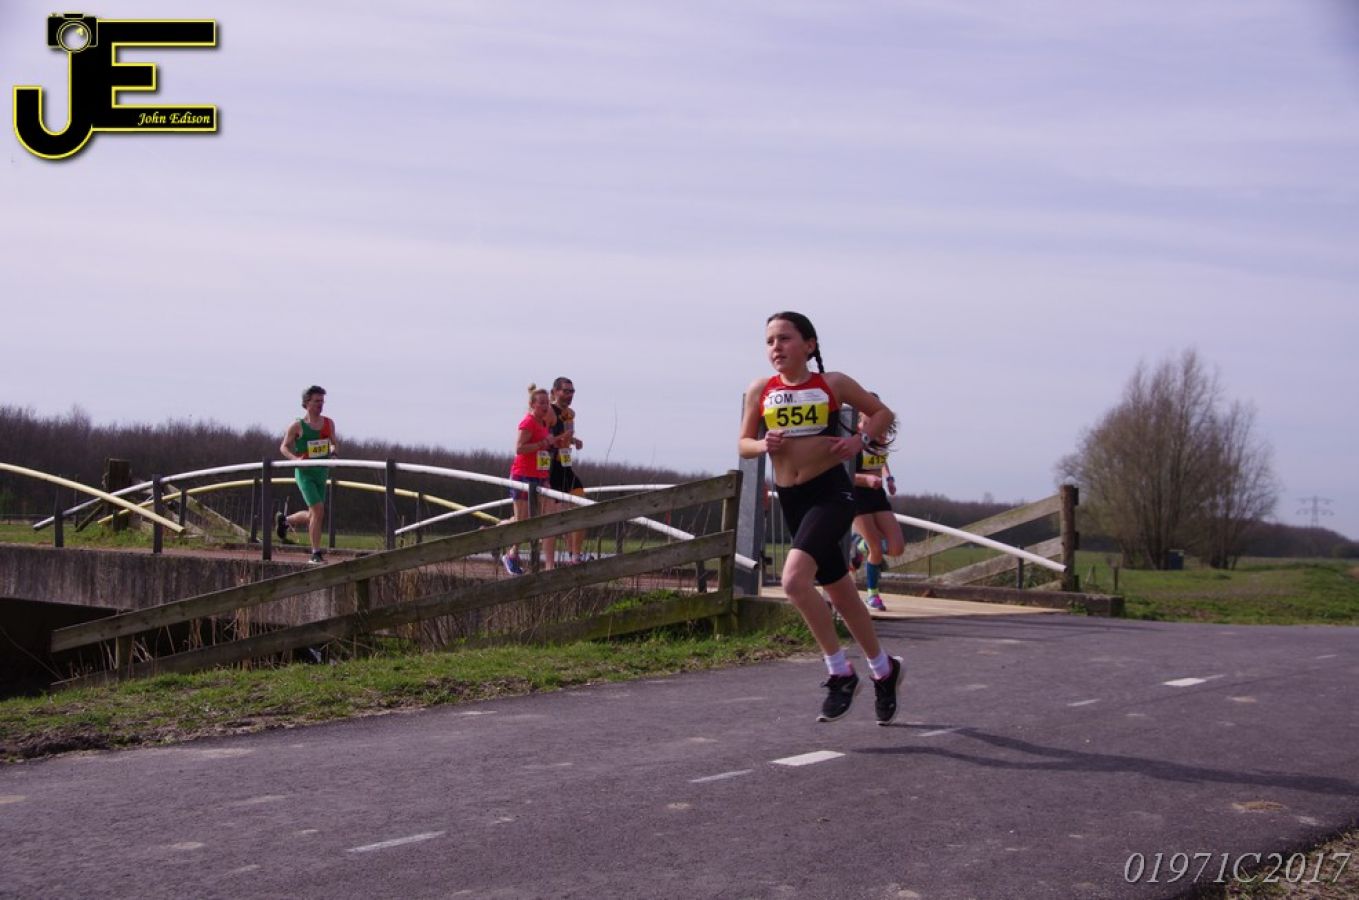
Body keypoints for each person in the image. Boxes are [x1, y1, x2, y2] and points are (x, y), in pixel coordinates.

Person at [738, 311, 903, 725]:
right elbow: (742, 444)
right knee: (842, 594)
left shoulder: (833, 383)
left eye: (785, 338)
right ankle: (884, 670)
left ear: (809, 345)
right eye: (770, 341)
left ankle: (840, 672)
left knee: (794, 581)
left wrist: (859, 441)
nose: (776, 347)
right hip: (792, 498)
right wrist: (763, 444)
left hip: (831, 493)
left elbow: (883, 414)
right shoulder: (761, 389)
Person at [851, 404, 906, 611]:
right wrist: (865, 479)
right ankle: (873, 595)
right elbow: (840, 474)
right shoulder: (854, 441)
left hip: (877, 495)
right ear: (859, 421)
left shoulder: (881, 437)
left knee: (896, 548)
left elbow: (881, 459)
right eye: (866, 422)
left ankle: (858, 546)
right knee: (875, 548)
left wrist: (888, 478)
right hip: (857, 495)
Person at [278, 385, 339, 565]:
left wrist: (334, 453)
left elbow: (334, 443)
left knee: (314, 513)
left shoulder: (328, 423)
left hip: (322, 472)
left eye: (322, 401)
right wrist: (294, 459)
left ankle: (285, 521)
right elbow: (283, 447)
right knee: (319, 511)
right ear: (307, 403)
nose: (320, 404)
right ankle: (315, 554)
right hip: (305, 474)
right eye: (316, 401)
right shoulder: (297, 425)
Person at [502, 384, 559, 575]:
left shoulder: (543, 424)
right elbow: (519, 448)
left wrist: (545, 476)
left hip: (539, 477)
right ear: (532, 404)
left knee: (547, 514)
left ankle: (544, 561)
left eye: (547, 403)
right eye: (541, 403)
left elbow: (542, 454)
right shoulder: (528, 422)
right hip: (523, 475)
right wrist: (542, 443)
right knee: (522, 519)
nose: (545, 406)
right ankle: (512, 554)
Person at [548, 376, 589, 564]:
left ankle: (575, 556)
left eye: (572, 391)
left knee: (581, 505)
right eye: (565, 391)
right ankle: (501, 538)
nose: (569, 395)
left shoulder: (570, 414)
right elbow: (547, 437)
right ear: (555, 392)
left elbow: (565, 435)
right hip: (549, 468)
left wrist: (574, 440)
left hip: (565, 466)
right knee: (529, 518)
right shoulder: (548, 412)